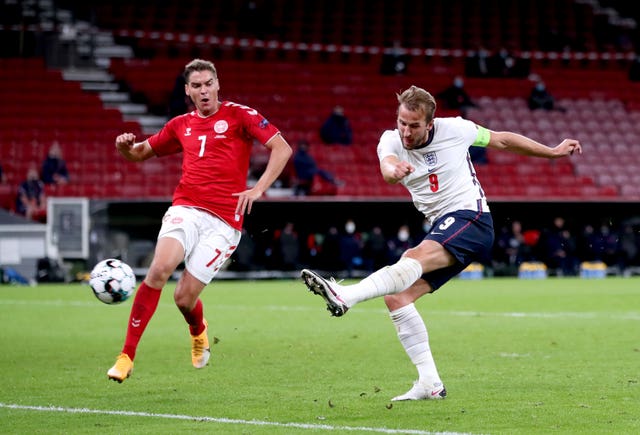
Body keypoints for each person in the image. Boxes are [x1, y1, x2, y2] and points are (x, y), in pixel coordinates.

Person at [300, 85, 581, 401]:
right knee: (398, 298)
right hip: (445, 228)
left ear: (430, 123)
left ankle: (345, 295)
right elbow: (387, 168)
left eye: (414, 125)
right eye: (402, 122)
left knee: (414, 256)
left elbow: (501, 139)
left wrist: (553, 151)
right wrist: (395, 170)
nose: (406, 131)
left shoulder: (457, 129)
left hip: (471, 218)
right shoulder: (390, 139)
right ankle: (430, 383)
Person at [106, 58, 292, 383]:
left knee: (183, 298)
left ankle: (198, 329)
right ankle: (126, 356)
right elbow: (138, 153)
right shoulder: (180, 125)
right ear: (188, 91)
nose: (204, 91)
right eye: (197, 86)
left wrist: (259, 188)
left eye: (208, 84)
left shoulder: (240, 115)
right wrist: (125, 147)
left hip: (224, 224)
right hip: (186, 209)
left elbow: (282, 147)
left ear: (218, 84)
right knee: (159, 269)